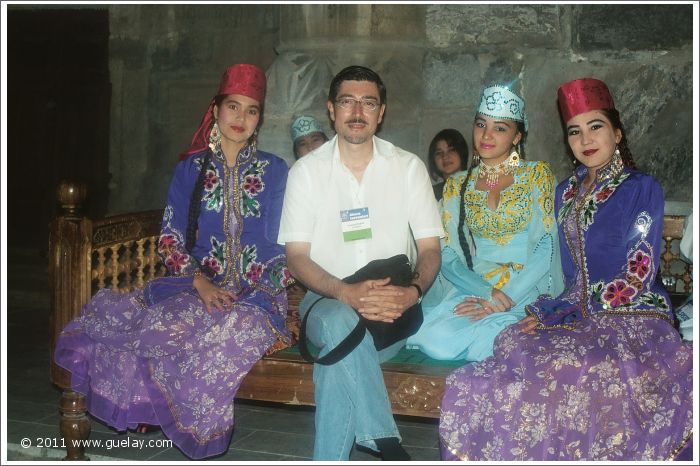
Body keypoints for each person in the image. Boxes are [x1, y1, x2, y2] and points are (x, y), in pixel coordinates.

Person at [439, 78, 693, 460]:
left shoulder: (641, 188)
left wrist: (571, 310)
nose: (585, 139)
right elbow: (565, 272)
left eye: (596, 127)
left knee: (572, 366)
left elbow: (638, 272)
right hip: (575, 313)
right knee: (515, 343)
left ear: (617, 133)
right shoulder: (565, 191)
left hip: (632, 315)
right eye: (575, 131)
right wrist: (549, 311)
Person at [54, 64, 292, 459]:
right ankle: (155, 412)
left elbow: (286, 242)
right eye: (233, 107)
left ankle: (201, 431)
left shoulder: (275, 170)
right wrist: (199, 282)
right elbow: (170, 238)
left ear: (259, 119)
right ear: (215, 110)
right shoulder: (190, 170)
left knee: (229, 333)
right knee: (159, 329)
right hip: (197, 285)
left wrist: (258, 289)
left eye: (251, 111)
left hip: (258, 296)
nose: (241, 118)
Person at [278, 65, 443, 461]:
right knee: (339, 322)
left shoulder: (407, 168)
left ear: (381, 112)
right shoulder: (306, 172)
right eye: (347, 101)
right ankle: (381, 436)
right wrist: (343, 292)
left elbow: (430, 249)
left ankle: (356, 445)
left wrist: (412, 291)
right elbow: (296, 257)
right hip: (325, 301)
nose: (357, 110)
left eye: (368, 102)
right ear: (331, 110)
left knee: (339, 362)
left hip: (391, 310)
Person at [406, 84, 563, 362]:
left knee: (499, 343)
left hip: (526, 286)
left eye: (500, 128)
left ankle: (505, 333)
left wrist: (505, 298)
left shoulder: (538, 174)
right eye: (481, 124)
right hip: (476, 285)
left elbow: (546, 244)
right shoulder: (457, 184)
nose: (487, 135)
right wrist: (485, 291)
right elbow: (449, 252)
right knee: (436, 341)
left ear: (517, 136)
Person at [427, 128, 470, 200]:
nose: (445, 157)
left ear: (462, 153)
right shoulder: (430, 193)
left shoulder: (477, 186)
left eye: (451, 150)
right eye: (439, 153)